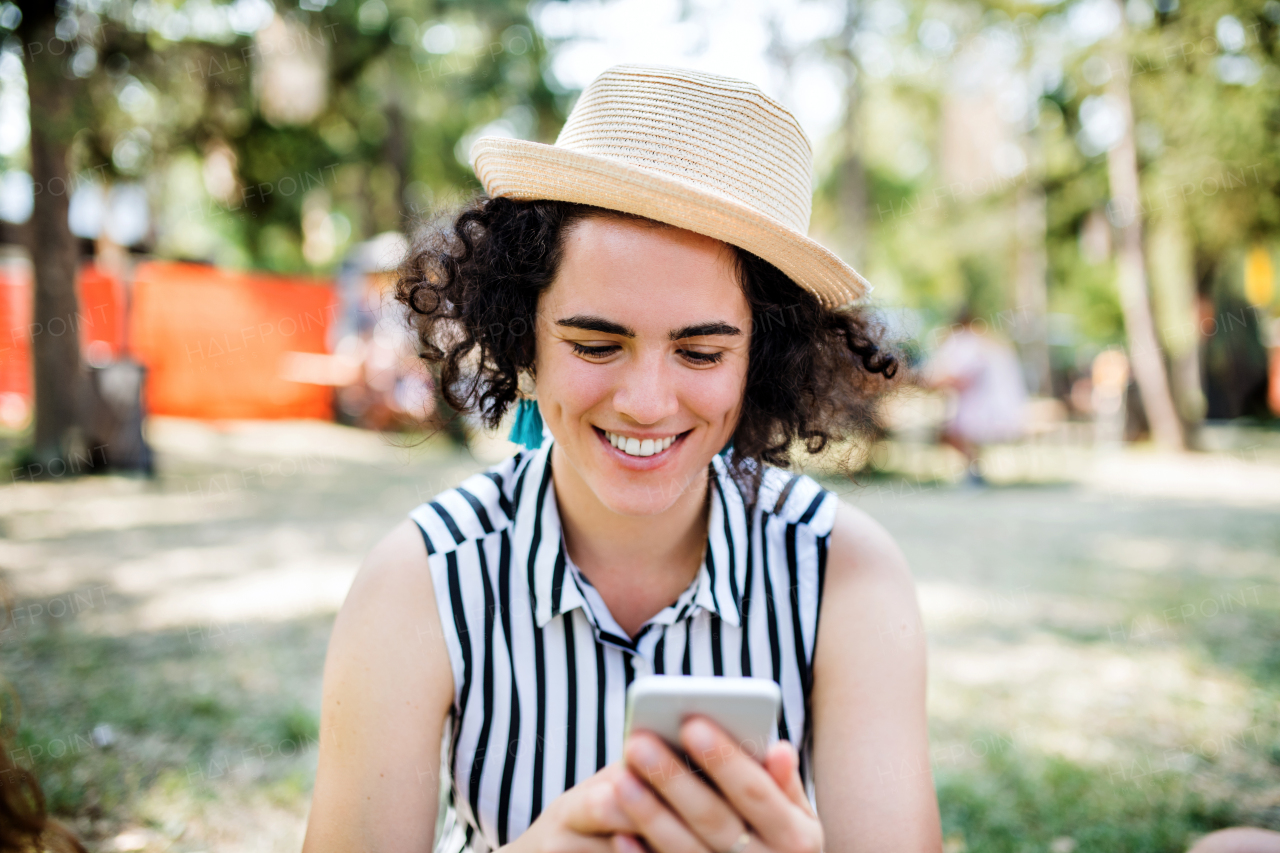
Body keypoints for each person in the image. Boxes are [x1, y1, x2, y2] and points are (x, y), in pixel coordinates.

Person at [302, 64, 939, 853]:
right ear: (523, 334)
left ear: (762, 363)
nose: (645, 400)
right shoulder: (422, 580)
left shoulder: (847, 573)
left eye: (701, 353)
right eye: (597, 343)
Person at [922, 309, 1027, 485]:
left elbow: (961, 378)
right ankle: (974, 470)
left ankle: (974, 472)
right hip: (1000, 407)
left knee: (950, 432)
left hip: (986, 410)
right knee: (952, 431)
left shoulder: (970, 343)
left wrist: (929, 381)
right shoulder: (990, 342)